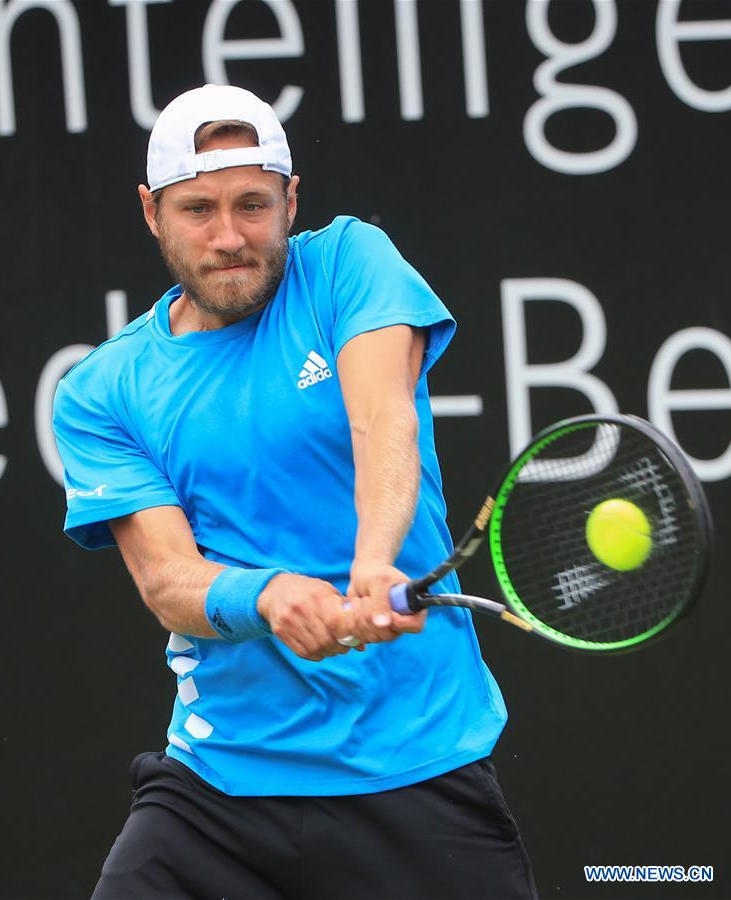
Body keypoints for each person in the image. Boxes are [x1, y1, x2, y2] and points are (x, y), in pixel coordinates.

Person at [53, 84, 537, 900]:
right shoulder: (102, 391)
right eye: (197, 210)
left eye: (252, 204)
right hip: (215, 789)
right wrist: (269, 595)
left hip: (414, 769)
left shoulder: (348, 262)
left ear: (290, 199)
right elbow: (168, 581)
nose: (229, 236)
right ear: (151, 212)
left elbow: (382, 419)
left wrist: (374, 561)